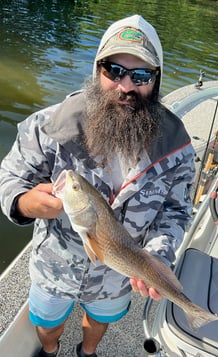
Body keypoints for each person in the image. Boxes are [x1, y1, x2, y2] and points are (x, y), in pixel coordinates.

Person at [0, 14, 195, 357]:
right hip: (54, 266)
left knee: (100, 320)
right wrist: (24, 202)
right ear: (97, 70)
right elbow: (9, 178)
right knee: (46, 323)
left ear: (156, 79)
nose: (126, 86)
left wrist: (158, 257)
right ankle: (51, 349)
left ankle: (87, 352)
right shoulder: (49, 126)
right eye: (114, 71)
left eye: (141, 75)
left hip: (119, 276)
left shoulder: (177, 149)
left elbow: (176, 211)